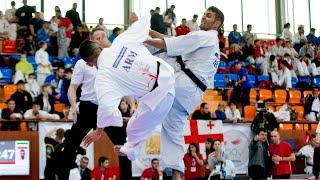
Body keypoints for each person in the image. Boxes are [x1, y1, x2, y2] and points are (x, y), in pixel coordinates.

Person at [82, 16, 175, 166]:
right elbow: (143, 24)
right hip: (169, 75)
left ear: (88, 64)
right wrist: (137, 22)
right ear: (97, 45)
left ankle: (130, 148)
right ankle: (130, 148)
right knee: (137, 124)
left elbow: (106, 107)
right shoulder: (121, 40)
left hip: (159, 100)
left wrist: (99, 131)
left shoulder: (103, 77)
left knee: (132, 128)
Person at [145, 6, 224, 179]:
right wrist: (150, 31)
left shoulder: (205, 36)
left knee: (155, 58)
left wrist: (144, 36)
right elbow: (174, 40)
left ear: (216, 23)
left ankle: (119, 56)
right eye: (204, 14)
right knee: (172, 130)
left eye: (208, 16)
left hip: (182, 85)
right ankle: (177, 173)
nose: (204, 17)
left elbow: (169, 44)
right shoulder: (209, 40)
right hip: (190, 95)